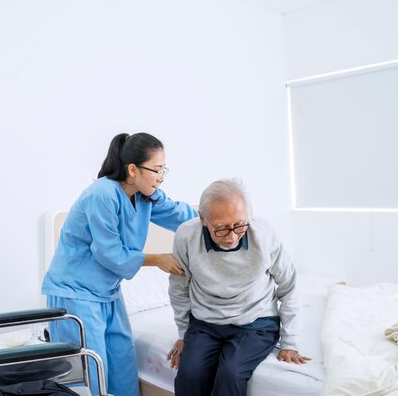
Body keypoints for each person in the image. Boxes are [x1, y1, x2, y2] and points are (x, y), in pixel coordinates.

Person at [41, 132, 197, 396]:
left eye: (164, 170)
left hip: (108, 293)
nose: (161, 177)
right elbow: (108, 252)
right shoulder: (101, 195)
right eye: (157, 170)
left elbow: (180, 215)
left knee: (123, 369)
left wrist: (216, 217)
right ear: (133, 169)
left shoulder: (146, 195)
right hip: (75, 293)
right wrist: (157, 259)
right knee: (91, 374)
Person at [166, 178, 310, 396]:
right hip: (205, 323)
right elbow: (179, 289)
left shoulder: (264, 234)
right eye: (221, 229)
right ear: (203, 219)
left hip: (256, 323)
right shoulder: (186, 236)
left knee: (230, 373)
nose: (232, 237)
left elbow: (289, 286)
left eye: (239, 225)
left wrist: (290, 342)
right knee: (189, 374)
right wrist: (184, 334)